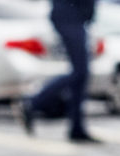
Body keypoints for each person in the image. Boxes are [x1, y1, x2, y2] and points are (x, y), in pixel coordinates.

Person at [14, 0, 99, 143]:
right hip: (69, 16)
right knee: (80, 72)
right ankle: (32, 102)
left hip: (74, 16)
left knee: (80, 75)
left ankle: (76, 128)